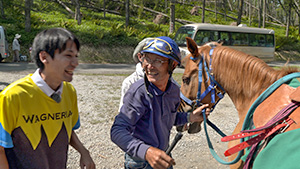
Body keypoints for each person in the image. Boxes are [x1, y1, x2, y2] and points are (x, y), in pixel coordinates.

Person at [0, 28, 95, 169]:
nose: (75, 63)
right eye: (68, 56)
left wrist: (83, 151)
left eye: (76, 56)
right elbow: (1, 149)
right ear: (44, 57)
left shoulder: (69, 92)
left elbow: (67, 128)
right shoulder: (12, 97)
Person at [111, 36, 210, 169]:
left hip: (162, 154)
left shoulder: (174, 90)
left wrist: (190, 117)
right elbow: (117, 130)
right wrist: (146, 152)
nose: (150, 66)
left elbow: (170, 116)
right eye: (147, 59)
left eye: (158, 61)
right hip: (140, 161)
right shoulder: (138, 92)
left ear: (173, 65)